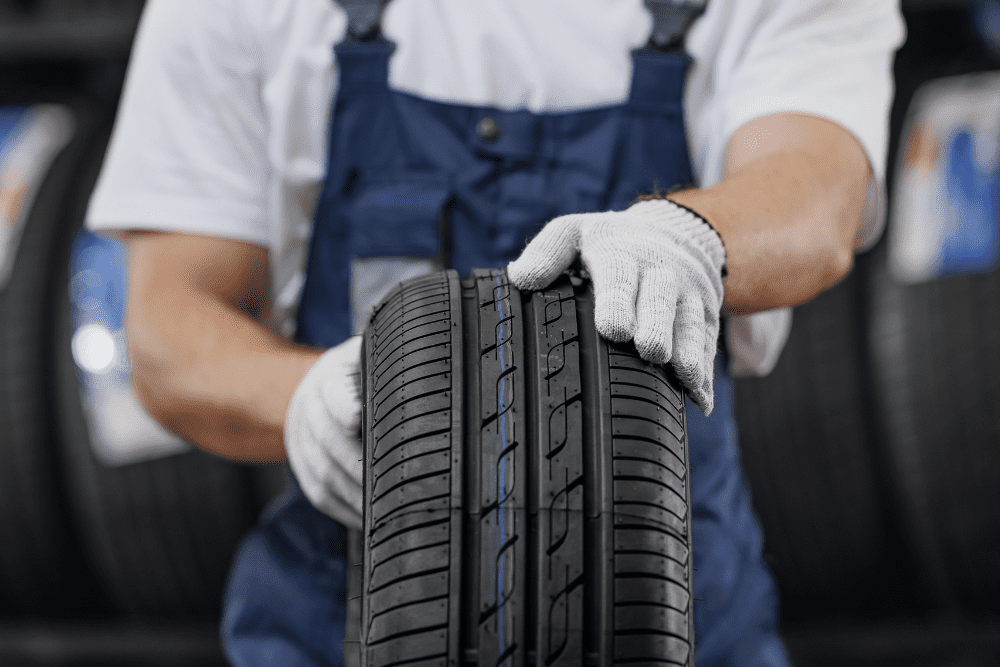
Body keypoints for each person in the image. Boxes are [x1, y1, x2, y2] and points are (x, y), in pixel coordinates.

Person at [85, 0, 904, 664]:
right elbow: (165, 326)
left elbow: (819, 189)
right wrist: (300, 398)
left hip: (676, 619)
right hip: (342, 623)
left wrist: (691, 236)